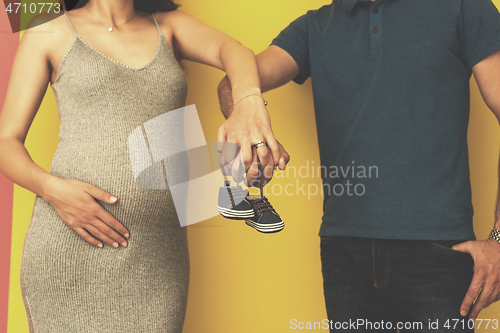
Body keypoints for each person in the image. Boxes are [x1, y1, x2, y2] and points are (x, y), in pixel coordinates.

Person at [218, 0, 500, 331]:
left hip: (439, 253)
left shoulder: (464, 7)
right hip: (344, 255)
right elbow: (232, 84)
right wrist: (250, 127)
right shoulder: (313, 27)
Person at [0, 0, 276, 331]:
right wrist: (52, 190)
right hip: (70, 248)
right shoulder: (49, 26)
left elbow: (236, 51)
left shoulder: (168, 25)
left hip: (159, 257)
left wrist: (248, 104)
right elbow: (6, 142)